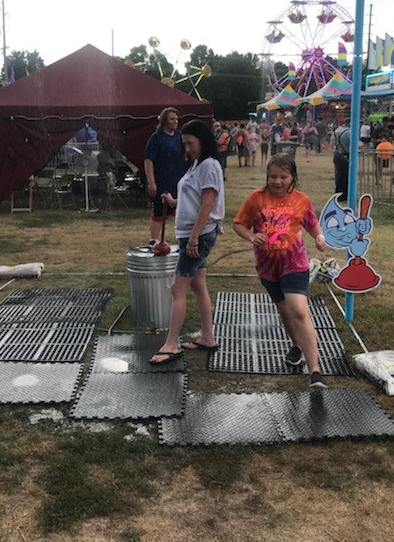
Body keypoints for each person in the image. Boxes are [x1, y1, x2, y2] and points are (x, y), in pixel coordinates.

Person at [233, 154, 329, 389]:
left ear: (292, 177)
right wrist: (251, 235)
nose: (277, 181)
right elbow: (238, 223)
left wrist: (318, 236)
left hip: (294, 263)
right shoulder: (256, 199)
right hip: (268, 267)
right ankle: (296, 345)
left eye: (283, 177)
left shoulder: (301, 200)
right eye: (273, 176)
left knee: (297, 309)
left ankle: (315, 370)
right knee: (286, 313)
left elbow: (311, 222)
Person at [149, 120, 225, 364]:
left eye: (190, 143)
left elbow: (208, 204)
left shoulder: (209, 165)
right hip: (192, 234)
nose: (187, 148)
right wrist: (173, 202)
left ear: (203, 140)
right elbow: (194, 199)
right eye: (184, 144)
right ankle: (208, 337)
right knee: (198, 284)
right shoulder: (196, 165)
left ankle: (171, 344)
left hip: (198, 236)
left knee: (177, 287)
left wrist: (193, 239)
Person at [144, 107, 186, 246]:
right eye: (172, 119)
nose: (175, 121)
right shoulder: (156, 138)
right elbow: (148, 160)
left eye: (176, 118)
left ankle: (183, 237)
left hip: (177, 179)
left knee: (180, 209)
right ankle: (154, 239)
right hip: (161, 179)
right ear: (164, 120)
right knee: (160, 210)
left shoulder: (180, 136)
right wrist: (151, 182)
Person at [332, 119, 350, 202]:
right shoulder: (349, 132)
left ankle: (338, 195)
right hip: (345, 156)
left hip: (337, 154)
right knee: (346, 177)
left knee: (339, 176)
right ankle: (345, 195)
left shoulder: (338, 130)